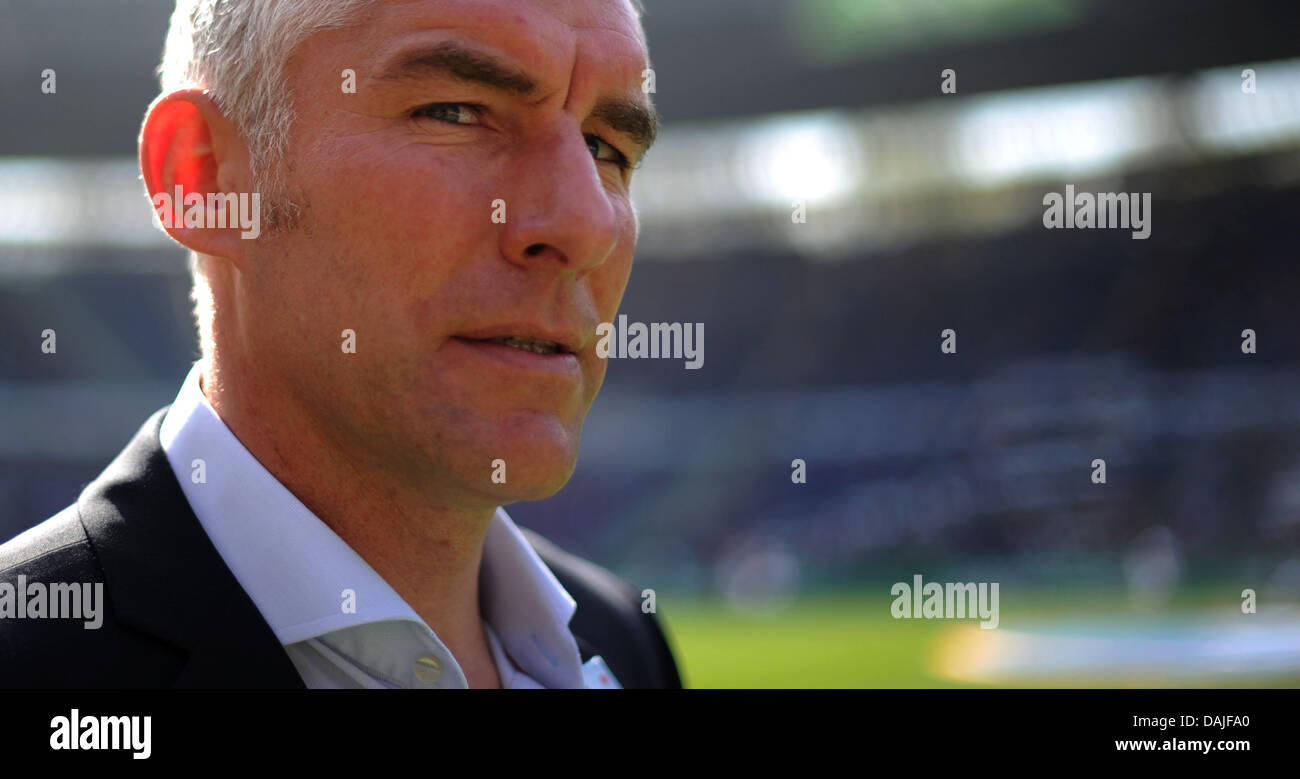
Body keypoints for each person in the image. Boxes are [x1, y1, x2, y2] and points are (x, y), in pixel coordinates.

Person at [0, 0, 680, 689]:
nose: (587, 224)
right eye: (455, 112)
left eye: (606, 149)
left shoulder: (626, 643)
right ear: (202, 177)